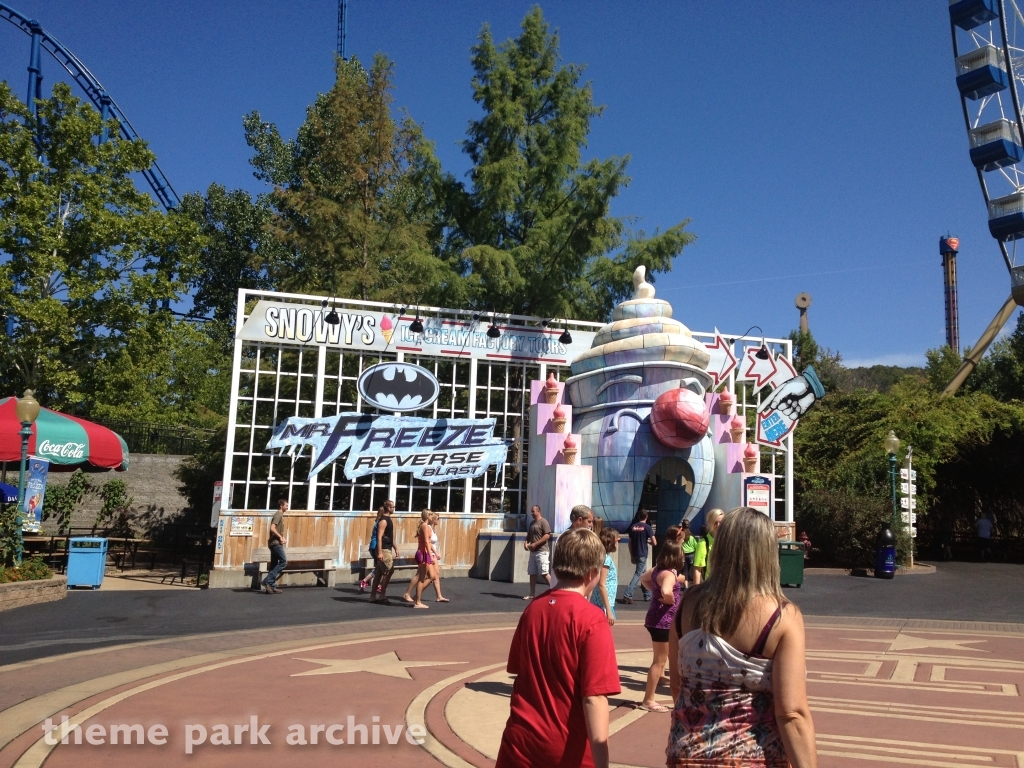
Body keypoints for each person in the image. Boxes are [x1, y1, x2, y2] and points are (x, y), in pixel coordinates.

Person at [667, 507, 818, 767]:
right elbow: (791, 713)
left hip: (687, 753)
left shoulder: (687, 605)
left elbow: (678, 686)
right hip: (752, 757)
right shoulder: (782, 617)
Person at [495, 528, 620, 768]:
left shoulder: (533, 610)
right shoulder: (592, 619)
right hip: (565, 749)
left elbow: (519, 671)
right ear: (592, 573)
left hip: (519, 742)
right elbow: (594, 698)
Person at [637, 540, 685, 712]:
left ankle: (669, 691)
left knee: (668, 658)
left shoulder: (659, 570)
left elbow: (643, 578)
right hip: (663, 623)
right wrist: (669, 600)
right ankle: (648, 699)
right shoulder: (669, 575)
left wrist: (655, 592)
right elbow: (666, 590)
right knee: (659, 661)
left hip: (657, 619)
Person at [623, 508, 656, 604]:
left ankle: (647, 595)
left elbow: (630, 543)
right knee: (638, 574)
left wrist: (631, 555)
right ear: (646, 517)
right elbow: (654, 542)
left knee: (643, 574)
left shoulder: (633, 527)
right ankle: (628, 594)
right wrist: (648, 542)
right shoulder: (647, 527)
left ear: (638, 516)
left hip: (635, 553)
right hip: (643, 554)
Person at [369, 500, 397, 604]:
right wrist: (380, 552)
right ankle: (382, 594)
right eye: (393, 507)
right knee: (389, 570)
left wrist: (396, 548)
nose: (394, 509)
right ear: (388, 508)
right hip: (384, 549)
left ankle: (373, 596)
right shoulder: (383, 520)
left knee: (379, 572)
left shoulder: (388, 520)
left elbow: (389, 536)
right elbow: (379, 537)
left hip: (388, 548)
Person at [408, 510, 437, 609]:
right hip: (423, 553)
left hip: (425, 553)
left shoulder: (426, 526)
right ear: (427, 516)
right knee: (421, 578)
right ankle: (417, 602)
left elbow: (428, 541)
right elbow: (426, 541)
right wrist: (430, 554)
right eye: (430, 515)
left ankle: (417, 598)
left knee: (429, 576)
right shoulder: (424, 525)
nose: (432, 516)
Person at [589, 527, 619, 625]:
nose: (618, 542)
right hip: (603, 604)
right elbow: (601, 584)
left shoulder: (600, 557)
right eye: (616, 540)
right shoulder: (606, 559)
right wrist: (609, 610)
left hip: (598, 602)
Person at [523, 505, 552, 600]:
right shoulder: (532, 523)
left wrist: (536, 544)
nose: (532, 513)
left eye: (533, 511)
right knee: (532, 572)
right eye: (531, 511)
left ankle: (555, 590)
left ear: (538, 511)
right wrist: (526, 542)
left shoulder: (543, 522)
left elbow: (547, 536)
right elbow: (529, 535)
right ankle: (532, 594)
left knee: (544, 572)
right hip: (533, 552)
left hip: (542, 551)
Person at [261, 498, 289, 594]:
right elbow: (272, 528)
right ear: (281, 505)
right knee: (283, 562)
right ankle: (267, 581)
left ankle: (271, 586)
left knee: (273, 564)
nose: (287, 507)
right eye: (286, 505)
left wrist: (282, 537)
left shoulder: (280, 515)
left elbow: (277, 530)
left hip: (275, 542)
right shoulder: (278, 515)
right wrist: (280, 537)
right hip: (275, 544)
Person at [692, 508, 724, 585]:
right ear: (710, 523)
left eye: (721, 522)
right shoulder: (703, 543)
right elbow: (697, 569)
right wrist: (696, 592)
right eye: (715, 522)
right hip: (711, 586)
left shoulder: (729, 540)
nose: (718, 525)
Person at [360, 506, 386, 593]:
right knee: (381, 567)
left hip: (373, 546)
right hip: (376, 546)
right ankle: (365, 581)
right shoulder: (381, 522)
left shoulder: (377, 521)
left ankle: (376, 584)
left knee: (380, 567)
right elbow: (381, 536)